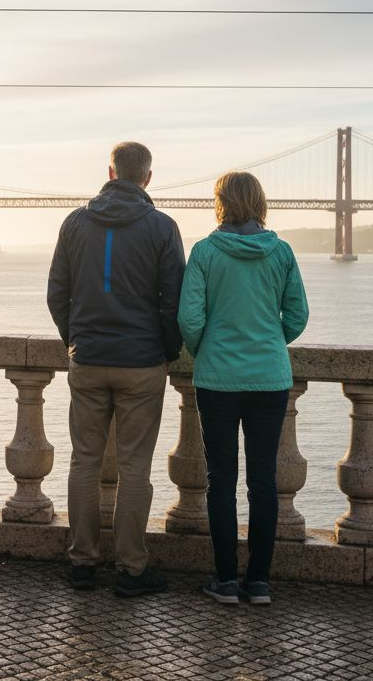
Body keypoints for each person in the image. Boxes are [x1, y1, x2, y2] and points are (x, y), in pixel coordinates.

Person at [47, 141, 185, 597]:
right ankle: (131, 569)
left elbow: (56, 294)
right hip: (142, 364)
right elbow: (174, 304)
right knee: (135, 467)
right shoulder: (163, 227)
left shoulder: (74, 223)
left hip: (87, 360)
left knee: (83, 461)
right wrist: (166, 352)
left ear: (110, 172)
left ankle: (82, 563)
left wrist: (76, 341)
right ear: (147, 177)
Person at [178, 171, 309, 607]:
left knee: (221, 480)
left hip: (217, 380)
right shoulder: (282, 252)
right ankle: (259, 582)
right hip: (270, 380)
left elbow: (189, 320)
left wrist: (209, 349)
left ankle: (225, 580)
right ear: (259, 202)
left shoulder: (204, 253)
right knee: (263, 482)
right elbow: (297, 316)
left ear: (220, 203)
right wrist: (269, 343)